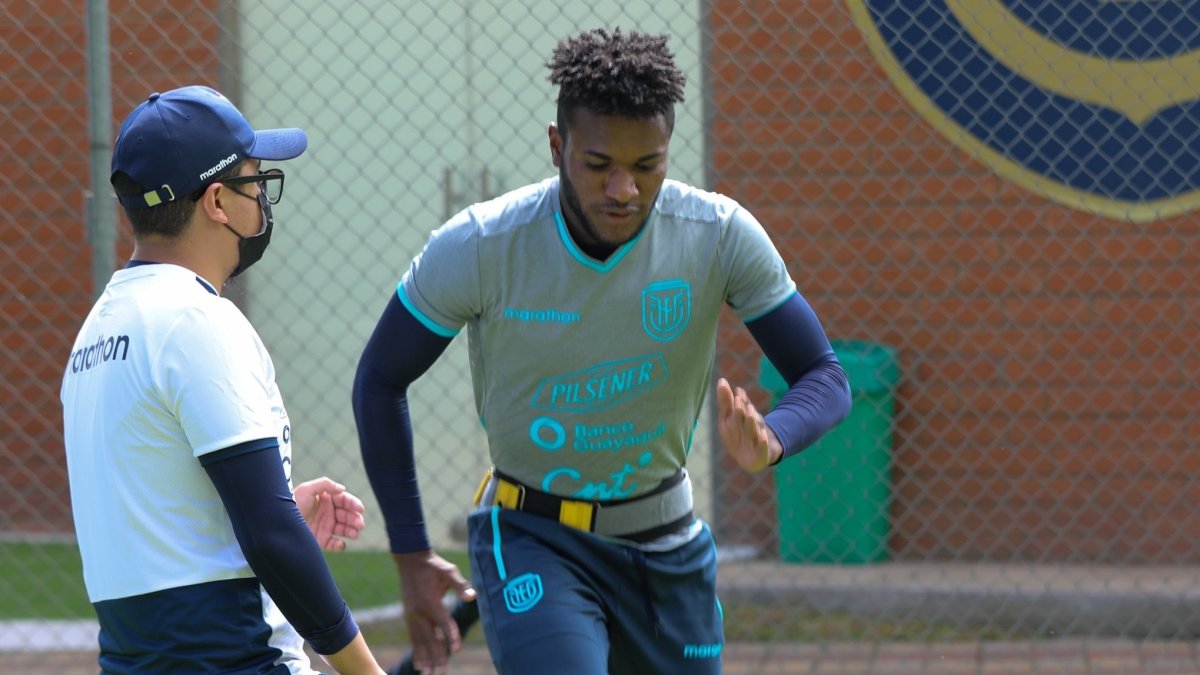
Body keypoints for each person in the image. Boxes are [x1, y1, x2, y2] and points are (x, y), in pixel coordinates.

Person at [352, 28, 852, 675]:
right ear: (557, 146)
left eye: (647, 165)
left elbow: (824, 376)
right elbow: (380, 378)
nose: (624, 189)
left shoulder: (718, 236)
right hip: (535, 537)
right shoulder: (481, 245)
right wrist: (410, 551)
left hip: (666, 541)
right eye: (598, 165)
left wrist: (774, 437)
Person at [60, 85, 386, 675]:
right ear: (217, 201)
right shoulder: (197, 321)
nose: (262, 197)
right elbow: (271, 536)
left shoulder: (98, 331)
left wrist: (272, 503)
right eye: (254, 180)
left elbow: (160, 521)